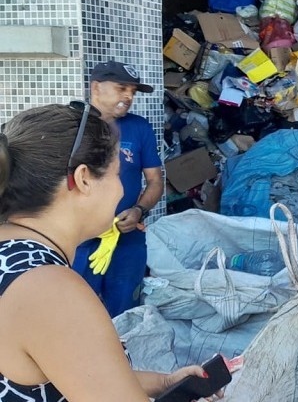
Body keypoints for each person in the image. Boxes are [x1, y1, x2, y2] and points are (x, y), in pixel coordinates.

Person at [0, 104, 216, 401]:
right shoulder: (48, 290)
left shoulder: (13, 256)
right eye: (118, 174)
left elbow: (65, 372)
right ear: (84, 178)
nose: (120, 191)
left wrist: (165, 382)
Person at [70, 61, 163, 318]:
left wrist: (139, 211)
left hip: (127, 236)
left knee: (124, 310)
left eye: (132, 91)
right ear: (96, 87)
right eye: (122, 88)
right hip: (83, 238)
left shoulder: (139, 127)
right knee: (80, 308)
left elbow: (155, 180)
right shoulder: (72, 127)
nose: (128, 97)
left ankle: (122, 356)